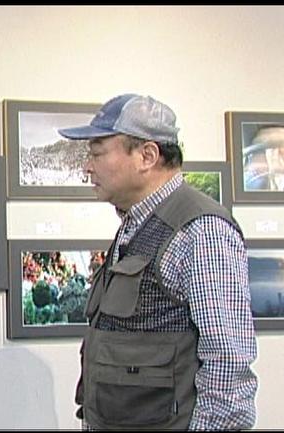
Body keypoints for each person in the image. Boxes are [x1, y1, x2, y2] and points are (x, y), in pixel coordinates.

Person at [57, 94, 258, 430]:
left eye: (97, 153)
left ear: (147, 155)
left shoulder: (201, 230)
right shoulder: (134, 226)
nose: (87, 167)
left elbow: (227, 365)